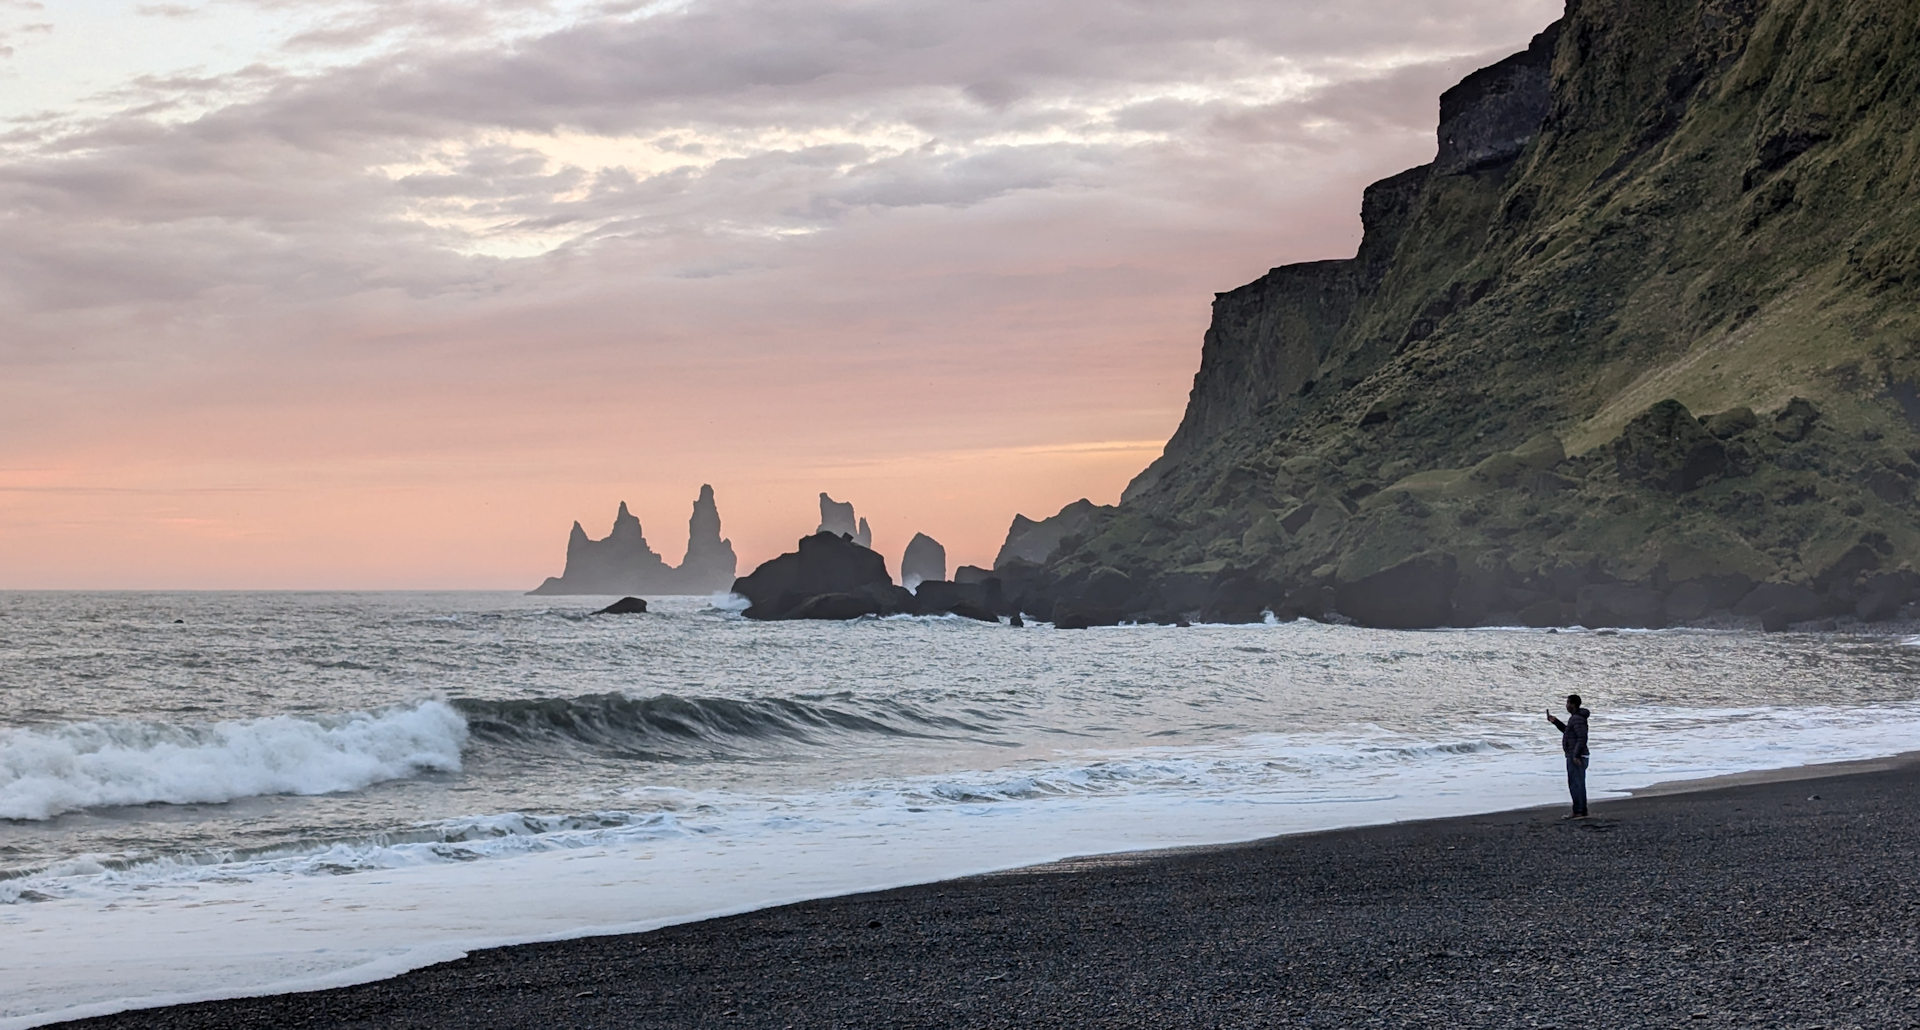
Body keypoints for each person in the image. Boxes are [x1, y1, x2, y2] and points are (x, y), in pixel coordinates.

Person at [1546, 694, 1591, 818]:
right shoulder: (1576, 718)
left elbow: (1582, 738)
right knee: (1578, 783)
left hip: (1577, 756)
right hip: (1577, 754)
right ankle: (1582, 810)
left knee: (1575, 784)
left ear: (1573, 704)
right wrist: (1556, 722)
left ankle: (1578, 812)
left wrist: (1575, 755)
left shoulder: (1576, 719)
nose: (1566, 705)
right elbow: (1569, 732)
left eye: (1568, 703)